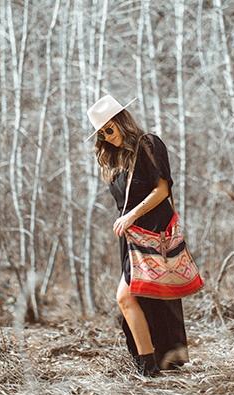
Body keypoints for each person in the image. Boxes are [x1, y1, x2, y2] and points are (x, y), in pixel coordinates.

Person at [85, 94, 189, 377]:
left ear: (121, 121)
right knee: (135, 299)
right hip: (131, 238)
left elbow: (162, 189)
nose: (107, 136)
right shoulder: (115, 160)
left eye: (110, 128)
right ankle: (149, 366)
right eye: (102, 134)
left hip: (154, 229)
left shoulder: (149, 144)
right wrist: (125, 220)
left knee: (128, 296)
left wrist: (131, 215)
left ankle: (152, 366)